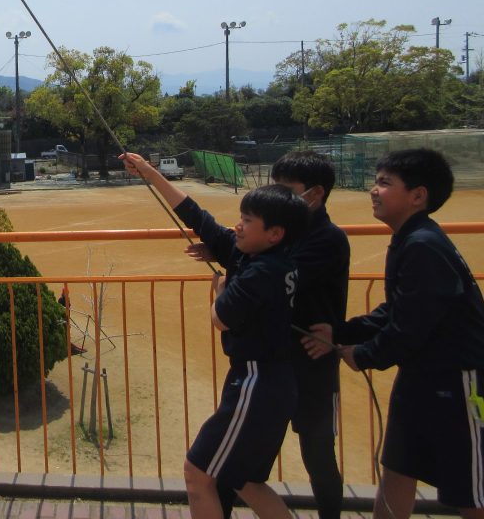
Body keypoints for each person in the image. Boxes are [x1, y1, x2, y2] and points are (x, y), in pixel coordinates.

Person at [121, 153, 307, 519]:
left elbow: (221, 318)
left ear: (274, 234)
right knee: (245, 480)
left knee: (197, 473)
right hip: (271, 382)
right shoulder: (264, 257)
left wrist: (221, 288)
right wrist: (149, 172)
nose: (238, 226)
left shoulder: (259, 271)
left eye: (247, 221)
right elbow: (195, 215)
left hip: (256, 383)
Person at [304, 148, 484, 519]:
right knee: (399, 467)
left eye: (385, 183)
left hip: (455, 381)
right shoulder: (410, 239)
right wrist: (343, 331)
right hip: (420, 378)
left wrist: (364, 354)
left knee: (470, 491)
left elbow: (412, 325)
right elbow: (397, 310)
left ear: (418, 196)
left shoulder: (422, 245)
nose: (374, 190)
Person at [217, 152, 350, 519]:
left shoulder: (326, 238)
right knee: (237, 457)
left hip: (312, 362)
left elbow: (269, 280)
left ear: (315, 193)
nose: (278, 195)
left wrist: (232, 268)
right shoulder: (281, 236)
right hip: (273, 361)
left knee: (318, 453)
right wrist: (227, 250)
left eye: (287, 189)